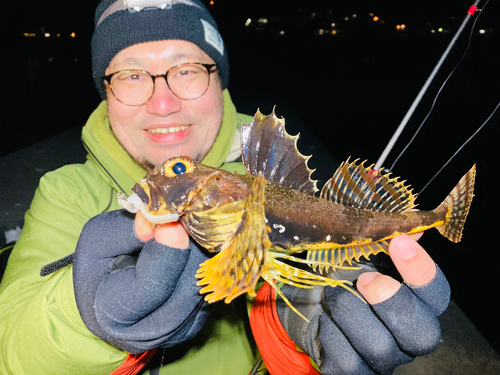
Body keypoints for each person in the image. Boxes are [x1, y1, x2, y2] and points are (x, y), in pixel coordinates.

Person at [0, 1, 450, 374]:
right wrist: (86, 320)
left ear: (219, 79)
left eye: (188, 70)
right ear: (105, 91)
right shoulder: (65, 192)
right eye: (132, 75)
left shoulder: (262, 165)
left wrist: (305, 321)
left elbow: (311, 251)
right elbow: (10, 348)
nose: (163, 103)